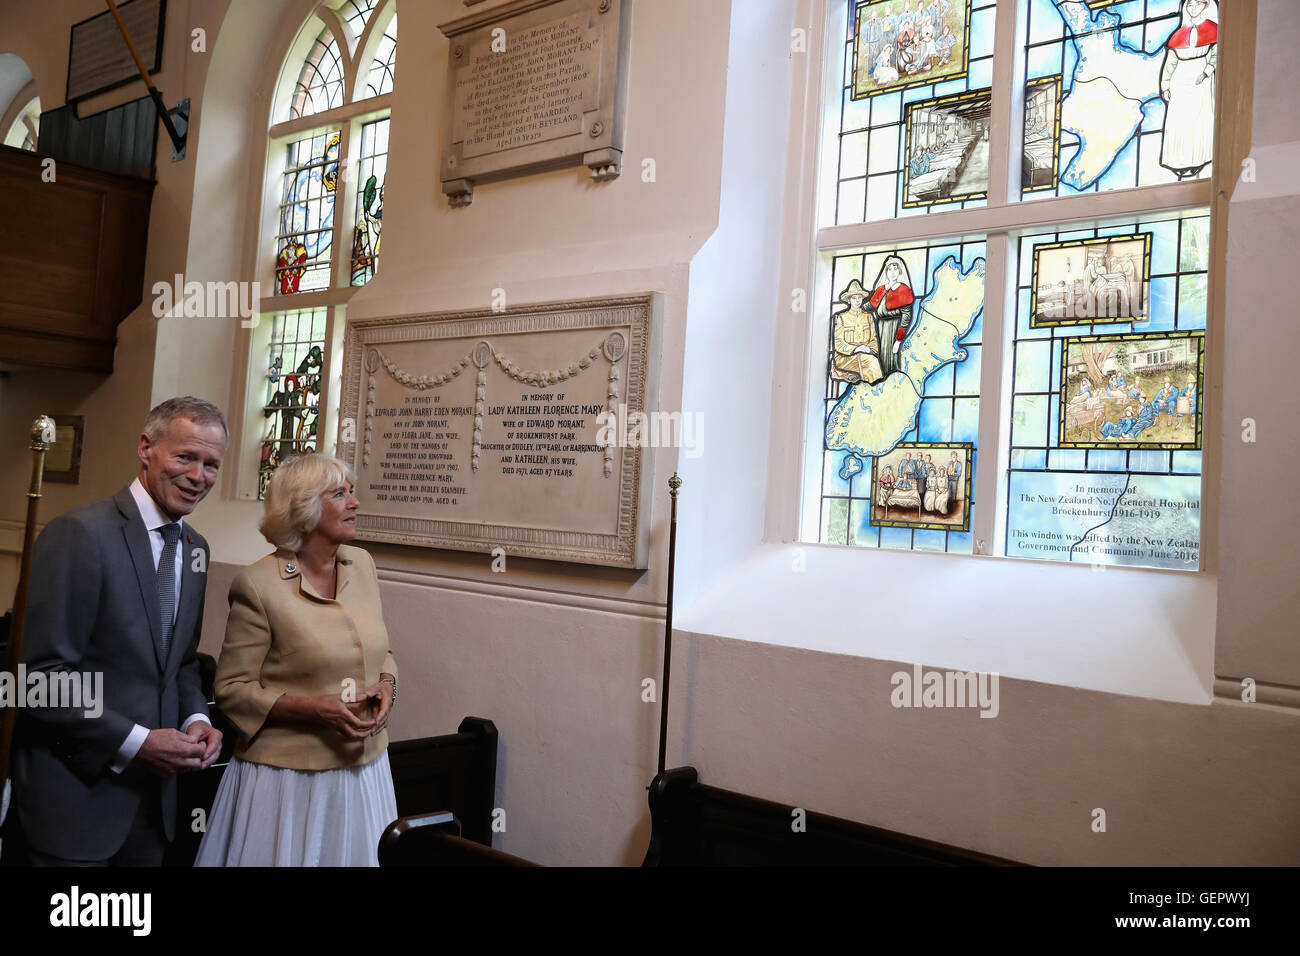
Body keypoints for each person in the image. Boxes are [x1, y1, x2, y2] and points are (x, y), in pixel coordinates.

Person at [9, 397, 226, 865]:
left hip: (153, 812)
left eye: (211, 464)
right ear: (146, 448)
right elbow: (38, 678)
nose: (198, 476)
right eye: (185, 457)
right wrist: (139, 741)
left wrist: (196, 721)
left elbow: (181, 663)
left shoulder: (195, 549)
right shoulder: (80, 534)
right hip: (73, 805)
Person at [196, 454, 398, 866]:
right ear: (304, 509)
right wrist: (311, 709)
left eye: (351, 491)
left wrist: (387, 686)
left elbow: (382, 653)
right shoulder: (258, 584)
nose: (355, 502)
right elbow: (231, 691)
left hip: (365, 772)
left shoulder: (362, 565)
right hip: (288, 780)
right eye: (340, 494)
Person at [1160, 0, 1218, 179]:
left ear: (1206, 6)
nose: (1193, 9)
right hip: (1180, 81)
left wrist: (1207, 71)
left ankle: (1200, 159)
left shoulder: (1213, 29)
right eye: (1189, 6)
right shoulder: (1179, 34)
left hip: (1200, 81)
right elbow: (1170, 63)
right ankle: (1180, 163)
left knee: (1200, 119)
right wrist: (1165, 85)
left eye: (1197, 4)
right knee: (1179, 121)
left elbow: (1217, 54)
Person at [865, 255, 915, 378]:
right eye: (889, 269)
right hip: (880, 327)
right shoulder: (881, 289)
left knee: (892, 356)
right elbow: (870, 306)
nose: (892, 272)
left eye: (895, 269)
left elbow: (906, 316)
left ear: (900, 272)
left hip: (894, 327)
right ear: (886, 271)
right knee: (881, 357)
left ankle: (893, 382)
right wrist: (856, 304)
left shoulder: (904, 290)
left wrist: (898, 340)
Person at [831, 279, 885, 385]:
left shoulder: (868, 317)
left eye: (859, 297)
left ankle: (875, 391)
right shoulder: (841, 318)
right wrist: (856, 349)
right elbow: (838, 344)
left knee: (871, 361)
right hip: (845, 358)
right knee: (871, 363)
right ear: (848, 300)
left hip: (866, 354)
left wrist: (869, 349)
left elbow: (874, 340)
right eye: (854, 298)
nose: (857, 300)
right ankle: (877, 390)